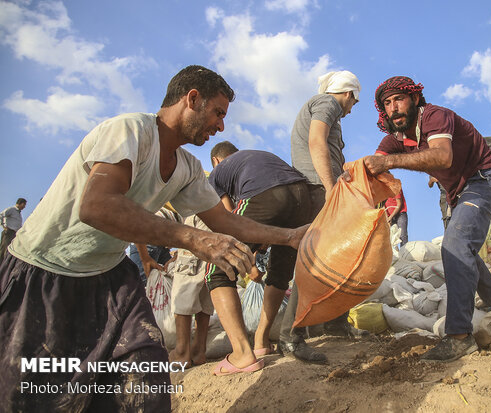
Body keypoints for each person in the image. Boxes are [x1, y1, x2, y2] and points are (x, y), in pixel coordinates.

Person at [0, 65, 307, 412]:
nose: (221, 126)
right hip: (41, 273)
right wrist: (196, 240)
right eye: (218, 113)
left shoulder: (188, 168)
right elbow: (97, 206)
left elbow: (226, 221)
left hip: (110, 279)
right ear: (192, 98)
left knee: (145, 383)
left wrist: (290, 236)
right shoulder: (130, 131)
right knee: (29, 396)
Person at [365, 76, 491, 362]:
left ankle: (459, 337)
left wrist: (390, 162)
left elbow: (442, 157)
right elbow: (373, 167)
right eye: (387, 103)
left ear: (415, 99)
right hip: (457, 192)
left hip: (482, 180)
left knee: (454, 245)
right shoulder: (393, 139)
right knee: (460, 245)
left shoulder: (435, 117)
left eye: (399, 100)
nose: (393, 108)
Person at [281, 70, 361, 363]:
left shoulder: (324, 107)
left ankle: (336, 324)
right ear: (349, 93)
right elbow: (317, 142)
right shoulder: (328, 104)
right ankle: (290, 337)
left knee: (333, 258)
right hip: (317, 187)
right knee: (313, 261)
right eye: (354, 100)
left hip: (319, 186)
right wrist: (330, 187)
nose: (352, 108)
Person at [208, 141, 311, 357]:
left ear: (216, 160)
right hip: (303, 195)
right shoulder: (253, 156)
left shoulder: (217, 172)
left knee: (217, 269)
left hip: (266, 192)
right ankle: (261, 341)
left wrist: (250, 260)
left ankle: (241, 353)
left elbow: (228, 221)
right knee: (280, 274)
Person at [168, 214, 215, 367]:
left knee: (184, 284)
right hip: (218, 225)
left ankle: (182, 352)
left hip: (199, 220)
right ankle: (198, 349)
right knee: (205, 284)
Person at [129, 205, 183, 285]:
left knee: (140, 282)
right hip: (163, 235)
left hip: (150, 231)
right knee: (170, 280)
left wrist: (145, 258)